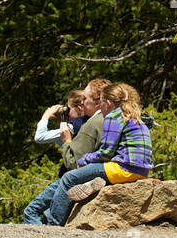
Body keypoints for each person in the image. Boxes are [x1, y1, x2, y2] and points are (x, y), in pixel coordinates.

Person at [22, 83, 152, 225]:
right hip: (142, 170)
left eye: (101, 102)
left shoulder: (113, 117)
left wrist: (85, 160)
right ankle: (91, 183)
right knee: (87, 173)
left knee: (68, 178)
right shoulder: (135, 116)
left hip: (123, 168)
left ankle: (53, 225)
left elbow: (106, 153)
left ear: (107, 103)